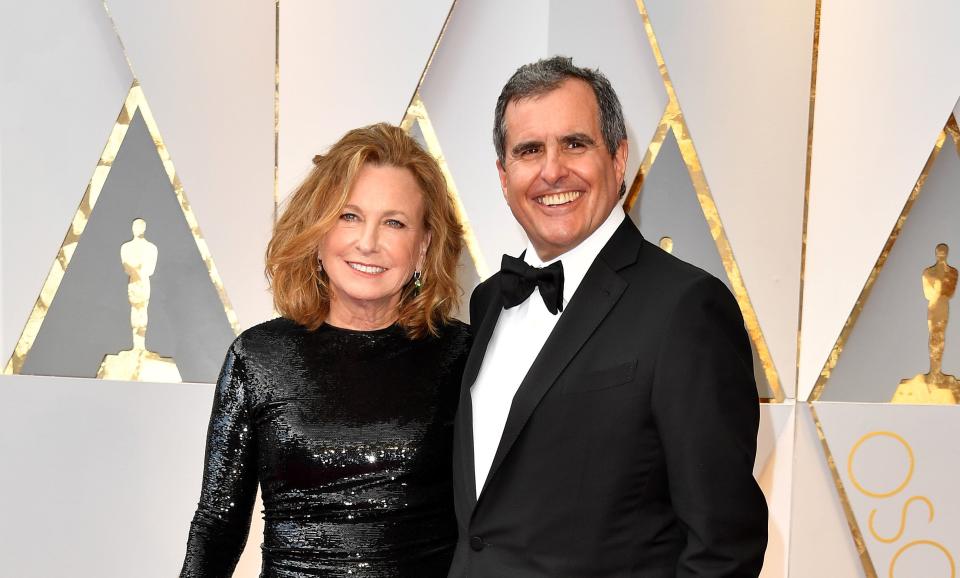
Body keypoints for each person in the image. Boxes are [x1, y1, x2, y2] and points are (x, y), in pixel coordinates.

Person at [450, 57, 768, 577]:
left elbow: (724, 543)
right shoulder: (489, 301)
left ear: (619, 159)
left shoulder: (687, 307)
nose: (552, 170)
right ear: (505, 177)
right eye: (530, 150)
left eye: (575, 143)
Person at [180, 123, 470, 577]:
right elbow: (218, 525)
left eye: (394, 222)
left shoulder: (462, 356)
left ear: (424, 246)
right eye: (349, 216)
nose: (368, 242)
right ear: (318, 230)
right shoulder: (257, 358)